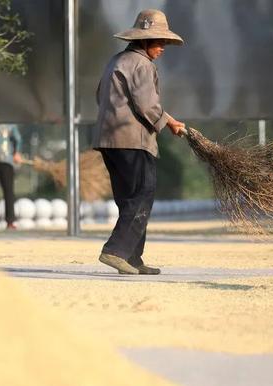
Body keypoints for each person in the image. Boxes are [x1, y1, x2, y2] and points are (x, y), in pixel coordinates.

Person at [92, 9, 186, 275]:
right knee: (143, 191)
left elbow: (100, 96)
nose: (163, 47)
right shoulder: (142, 64)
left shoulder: (116, 60)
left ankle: (132, 257)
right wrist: (169, 123)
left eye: (165, 42)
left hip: (108, 139)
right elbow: (147, 104)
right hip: (132, 140)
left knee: (128, 197)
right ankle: (115, 251)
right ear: (143, 41)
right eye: (159, 41)